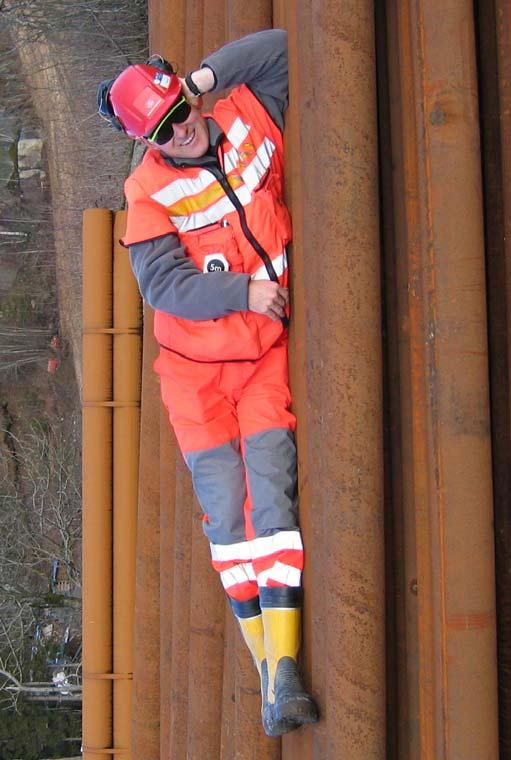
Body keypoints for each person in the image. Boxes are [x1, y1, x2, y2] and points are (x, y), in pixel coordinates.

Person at [97, 28, 318, 737]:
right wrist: (244, 294)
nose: (183, 130)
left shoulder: (247, 116)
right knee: (227, 513)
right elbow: (166, 287)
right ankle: (267, 674)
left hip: (261, 357)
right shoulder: (147, 194)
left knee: (270, 484)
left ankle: (283, 671)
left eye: (182, 113)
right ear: (147, 141)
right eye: (164, 128)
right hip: (196, 375)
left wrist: (198, 80)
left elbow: (283, 48)